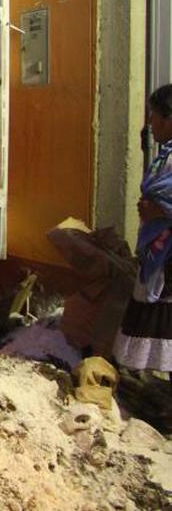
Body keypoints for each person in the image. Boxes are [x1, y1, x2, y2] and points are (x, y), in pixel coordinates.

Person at [114, 83, 172, 380]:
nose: (150, 122)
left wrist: (161, 211)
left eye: (154, 116)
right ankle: (152, 394)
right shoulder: (165, 156)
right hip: (158, 255)